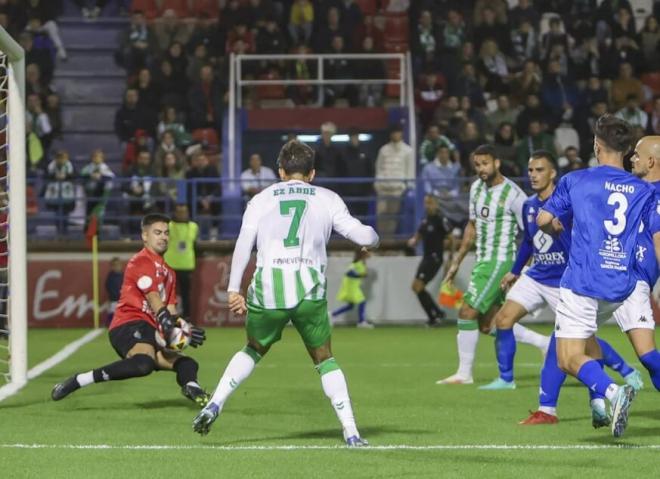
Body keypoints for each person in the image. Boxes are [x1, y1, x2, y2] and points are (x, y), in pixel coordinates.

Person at [192, 140, 379, 447]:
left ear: (280, 171)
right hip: (309, 291)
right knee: (324, 359)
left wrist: (233, 288)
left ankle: (216, 403)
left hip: (269, 290)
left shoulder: (261, 199)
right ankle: (351, 431)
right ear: (313, 172)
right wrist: (373, 239)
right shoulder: (327, 198)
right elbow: (362, 235)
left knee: (252, 349)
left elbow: (243, 244)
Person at [479, 151, 640, 396]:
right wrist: (515, 272)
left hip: (563, 280)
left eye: (539, 170)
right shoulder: (529, 205)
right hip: (536, 275)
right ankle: (506, 378)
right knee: (502, 320)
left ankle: (624, 369)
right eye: (531, 170)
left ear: (553, 173)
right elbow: (528, 241)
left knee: (584, 340)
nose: (533, 175)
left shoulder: (570, 201)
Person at [536, 117, 659, 438]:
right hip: (620, 285)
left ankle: (611, 391)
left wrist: (553, 225)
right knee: (586, 339)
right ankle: (599, 405)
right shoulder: (643, 190)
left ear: (596, 145)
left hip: (583, 281)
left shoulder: (576, 180)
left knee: (566, 358)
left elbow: (544, 218)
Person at [51, 214, 209, 405]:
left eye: (166, 233)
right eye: (157, 232)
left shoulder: (170, 272)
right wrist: (164, 318)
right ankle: (80, 380)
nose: (163, 237)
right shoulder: (140, 262)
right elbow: (153, 297)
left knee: (187, 363)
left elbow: (170, 309)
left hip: (152, 330)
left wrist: (185, 329)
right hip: (128, 324)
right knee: (144, 363)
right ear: (144, 236)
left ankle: (193, 387)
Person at [439, 144, 548, 385]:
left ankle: (464, 374)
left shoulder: (514, 194)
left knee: (466, 312)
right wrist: (456, 261)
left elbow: (530, 232)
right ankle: (545, 343)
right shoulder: (476, 188)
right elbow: (472, 226)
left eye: (485, 163)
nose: (481, 169)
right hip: (483, 260)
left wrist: (523, 269)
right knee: (489, 324)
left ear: (497, 163)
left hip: (499, 261)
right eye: (477, 165)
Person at [407, 195, 451, 326]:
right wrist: (414, 241)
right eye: (426, 203)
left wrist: (451, 257)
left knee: (417, 287)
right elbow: (419, 234)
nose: (428, 205)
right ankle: (437, 314)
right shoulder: (426, 218)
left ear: (436, 204)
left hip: (435, 258)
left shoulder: (440, 218)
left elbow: (451, 238)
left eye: (430, 203)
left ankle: (434, 316)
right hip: (427, 258)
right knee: (416, 287)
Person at [164, 205, 199, 320]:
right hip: (170, 265)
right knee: (167, 294)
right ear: (175, 213)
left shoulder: (193, 227)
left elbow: (194, 244)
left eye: (185, 212)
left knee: (185, 294)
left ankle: (186, 318)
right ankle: (166, 317)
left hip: (186, 265)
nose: (182, 214)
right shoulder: (169, 226)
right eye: (179, 212)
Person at [331, 249, 373, 329]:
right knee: (362, 301)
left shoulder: (362, 262)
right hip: (351, 285)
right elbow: (349, 272)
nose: (369, 254)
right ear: (363, 254)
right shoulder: (357, 263)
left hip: (354, 285)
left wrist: (362, 274)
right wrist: (360, 275)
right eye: (367, 253)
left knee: (351, 306)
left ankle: (333, 314)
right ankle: (361, 322)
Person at [105, 257, 123, 327]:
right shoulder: (110, 276)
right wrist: (114, 294)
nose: (117, 267)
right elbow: (108, 286)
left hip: (122, 299)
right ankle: (110, 325)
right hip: (113, 299)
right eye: (115, 265)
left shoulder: (123, 275)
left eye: (118, 265)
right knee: (112, 312)